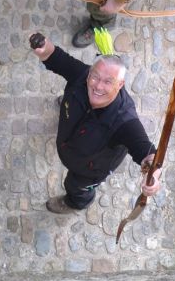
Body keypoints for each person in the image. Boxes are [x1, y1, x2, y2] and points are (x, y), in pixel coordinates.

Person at [28, 31, 162, 214]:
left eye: (108, 82)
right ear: (89, 73)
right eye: (95, 77)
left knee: (75, 186)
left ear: (120, 84)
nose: (98, 86)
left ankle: (76, 203)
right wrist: (43, 47)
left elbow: (145, 149)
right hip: (68, 141)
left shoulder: (124, 120)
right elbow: (56, 57)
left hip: (89, 169)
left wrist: (153, 171)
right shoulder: (82, 75)